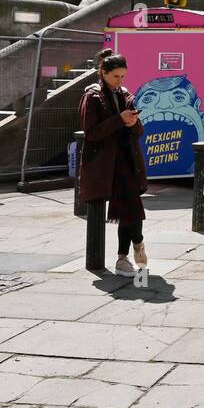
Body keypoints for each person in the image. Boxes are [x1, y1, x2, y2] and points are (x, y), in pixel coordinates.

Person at [78, 50, 147, 276]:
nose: (120, 81)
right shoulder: (93, 96)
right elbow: (92, 133)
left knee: (132, 209)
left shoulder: (124, 94)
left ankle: (127, 254)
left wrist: (132, 122)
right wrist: (119, 119)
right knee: (127, 210)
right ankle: (129, 253)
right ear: (104, 73)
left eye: (123, 77)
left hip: (126, 160)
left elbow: (138, 130)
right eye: (116, 76)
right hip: (103, 164)